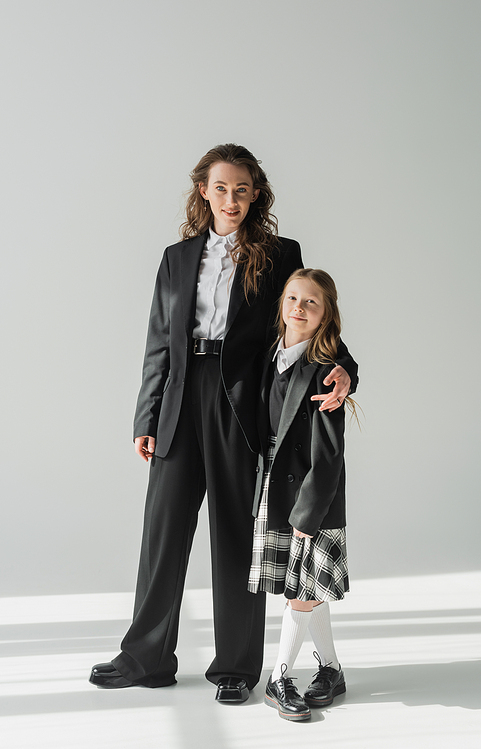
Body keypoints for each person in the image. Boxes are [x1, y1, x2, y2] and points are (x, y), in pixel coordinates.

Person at [89, 145, 358, 701]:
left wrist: (344, 369)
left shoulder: (281, 253)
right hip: (180, 400)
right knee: (162, 532)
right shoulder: (177, 257)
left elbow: (309, 315)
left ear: (255, 193)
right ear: (203, 192)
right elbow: (159, 342)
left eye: (241, 189)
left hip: (242, 403)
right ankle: (146, 657)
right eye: (220, 188)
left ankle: (236, 666)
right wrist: (147, 414)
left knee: (237, 535)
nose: (230, 199)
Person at [248, 268, 353, 721]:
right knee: (308, 591)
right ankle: (331, 669)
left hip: (313, 498)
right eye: (293, 298)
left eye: (312, 302)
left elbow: (329, 455)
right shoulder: (272, 355)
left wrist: (308, 514)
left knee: (302, 595)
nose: (299, 307)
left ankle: (278, 677)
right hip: (277, 488)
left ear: (326, 312)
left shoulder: (327, 371)